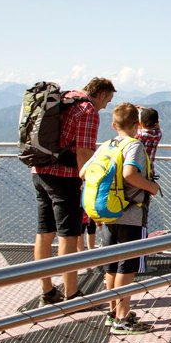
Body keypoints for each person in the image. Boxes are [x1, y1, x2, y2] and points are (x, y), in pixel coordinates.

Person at [32, 77, 115, 304]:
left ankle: (47, 292)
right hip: (64, 177)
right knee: (68, 236)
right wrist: (88, 182)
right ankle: (71, 295)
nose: (106, 105)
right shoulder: (88, 110)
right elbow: (84, 152)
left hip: (39, 172)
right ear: (99, 94)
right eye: (107, 99)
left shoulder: (67, 99)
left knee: (44, 233)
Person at [86, 103, 160, 335]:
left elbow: (84, 172)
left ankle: (112, 313)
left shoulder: (106, 145)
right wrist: (152, 187)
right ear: (137, 125)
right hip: (131, 214)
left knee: (111, 266)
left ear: (113, 124)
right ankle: (123, 319)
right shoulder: (134, 145)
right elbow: (130, 174)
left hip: (108, 213)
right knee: (126, 268)